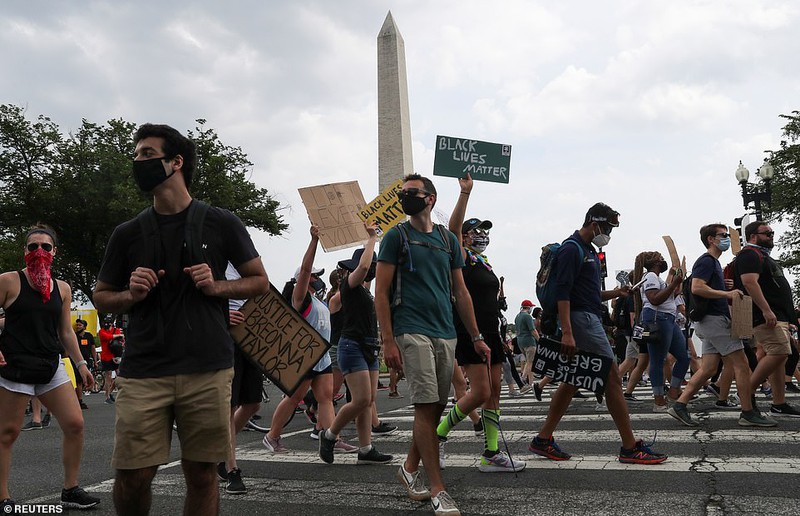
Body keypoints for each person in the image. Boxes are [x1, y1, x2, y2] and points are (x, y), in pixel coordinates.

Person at [93, 123, 269, 516]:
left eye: (147, 154)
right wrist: (130, 294)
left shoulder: (221, 222)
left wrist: (217, 285)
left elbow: (259, 282)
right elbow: (102, 295)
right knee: (133, 475)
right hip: (143, 370)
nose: (137, 162)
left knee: (203, 474)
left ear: (176, 162)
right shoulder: (127, 233)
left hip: (207, 368)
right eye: (136, 155)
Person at [376, 173, 491, 516]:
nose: (404, 197)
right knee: (426, 407)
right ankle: (438, 488)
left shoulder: (447, 240)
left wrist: (476, 336)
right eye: (402, 193)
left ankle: (408, 469)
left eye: (411, 192)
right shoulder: (396, 236)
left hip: (446, 332)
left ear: (430, 199)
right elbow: (380, 292)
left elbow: (461, 292)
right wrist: (388, 340)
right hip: (411, 329)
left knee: (436, 408)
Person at [527, 203, 668, 465]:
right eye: (607, 228)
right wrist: (568, 333)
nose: (609, 234)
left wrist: (616, 293)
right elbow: (563, 292)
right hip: (581, 320)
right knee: (612, 376)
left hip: (585, 315)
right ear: (594, 224)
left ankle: (543, 439)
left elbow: (587, 293)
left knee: (571, 379)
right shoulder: (573, 249)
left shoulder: (588, 251)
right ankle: (629, 447)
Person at [0, 224, 100, 510]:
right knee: (7, 433)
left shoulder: (63, 288)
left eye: (46, 247)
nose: (39, 252)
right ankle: (2, 496)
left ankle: (70, 489)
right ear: (25, 251)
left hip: (50, 364)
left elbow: (65, 332)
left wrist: (81, 363)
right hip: (16, 366)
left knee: (75, 424)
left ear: (54, 252)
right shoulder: (9, 281)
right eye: (33, 247)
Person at [435, 174, 525, 474]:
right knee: (480, 392)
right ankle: (437, 436)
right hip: (469, 332)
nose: (481, 235)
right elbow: (451, 229)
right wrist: (465, 194)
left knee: (495, 391)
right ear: (464, 237)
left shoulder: (484, 262)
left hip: (492, 332)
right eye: (475, 231)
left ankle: (491, 452)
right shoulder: (460, 255)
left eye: (484, 231)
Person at [667, 224, 774, 427]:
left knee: (708, 368)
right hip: (714, 320)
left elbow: (704, 286)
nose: (727, 238)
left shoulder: (713, 263)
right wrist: (726, 294)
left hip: (709, 321)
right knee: (741, 365)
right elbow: (698, 287)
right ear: (711, 239)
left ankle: (680, 405)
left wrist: (721, 286)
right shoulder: (707, 261)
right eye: (723, 235)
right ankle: (748, 412)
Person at [263, 227, 356, 455]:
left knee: (325, 399)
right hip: (305, 356)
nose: (317, 278)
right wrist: (313, 241)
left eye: (317, 276)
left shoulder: (320, 301)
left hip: (321, 356)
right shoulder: (300, 298)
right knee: (294, 398)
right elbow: (304, 269)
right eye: (314, 276)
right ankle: (272, 436)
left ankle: (334, 439)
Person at [319, 226, 394, 465]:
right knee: (361, 399)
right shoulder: (349, 286)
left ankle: (366, 448)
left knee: (368, 401)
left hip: (368, 347)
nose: (370, 267)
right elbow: (363, 267)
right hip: (351, 346)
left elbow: (373, 270)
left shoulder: (364, 291)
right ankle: (329, 435)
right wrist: (372, 238)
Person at [734, 221, 800, 417]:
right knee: (780, 353)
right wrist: (766, 310)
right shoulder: (749, 254)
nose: (772, 236)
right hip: (764, 315)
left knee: (778, 358)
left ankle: (779, 403)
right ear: (753, 236)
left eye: (772, 233)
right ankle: (745, 391)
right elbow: (749, 283)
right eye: (767, 233)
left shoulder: (761, 256)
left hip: (777, 315)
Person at [216, 263, 265, 494]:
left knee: (253, 402)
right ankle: (231, 468)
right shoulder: (213, 260)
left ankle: (221, 451)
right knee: (230, 404)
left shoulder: (245, 263)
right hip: (226, 337)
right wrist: (223, 317)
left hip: (250, 336)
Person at [631, 251, 689, 411]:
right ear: (655, 262)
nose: (663, 260)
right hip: (659, 318)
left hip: (668, 318)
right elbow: (654, 299)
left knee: (684, 357)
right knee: (658, 360)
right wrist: (673, 284)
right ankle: (659, 400)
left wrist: (676, 285)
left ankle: (673, 391)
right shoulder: (650, 276)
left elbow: (667, 295)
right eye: (661, 258)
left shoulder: (656, 278)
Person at [72, 319, 97, 409]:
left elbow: (93, 349)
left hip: (86, 362)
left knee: (83, 381)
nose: (78, 327)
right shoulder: (74, 335)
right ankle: (79, 400)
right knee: (78, 380)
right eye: (77, 325)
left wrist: (95, 360)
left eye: (80, 325)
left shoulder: (89, 336)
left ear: (84, 327)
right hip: (76, 362)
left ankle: (78, 397)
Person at [97, 315, 122, 404]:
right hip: (106, 356)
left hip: (116, 356)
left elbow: (121, 338)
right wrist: (117, 335)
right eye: (105, 322)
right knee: (108, 376)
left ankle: (110, 391)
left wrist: (117, 335)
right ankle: (107, 396)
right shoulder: (101, 331)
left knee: (120, 375)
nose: (107, 324)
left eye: (109, 322)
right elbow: (107, 337)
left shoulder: (116, 330)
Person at [515, 300, 538, 388]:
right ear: (528, 307)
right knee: (530, 362)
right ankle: (523, 378)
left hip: (520, 341)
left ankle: (531, 382)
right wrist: (539, 340)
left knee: (530, 362)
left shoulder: (517, 316)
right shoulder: (527, 316)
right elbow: (533, 330)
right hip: (529, 341)